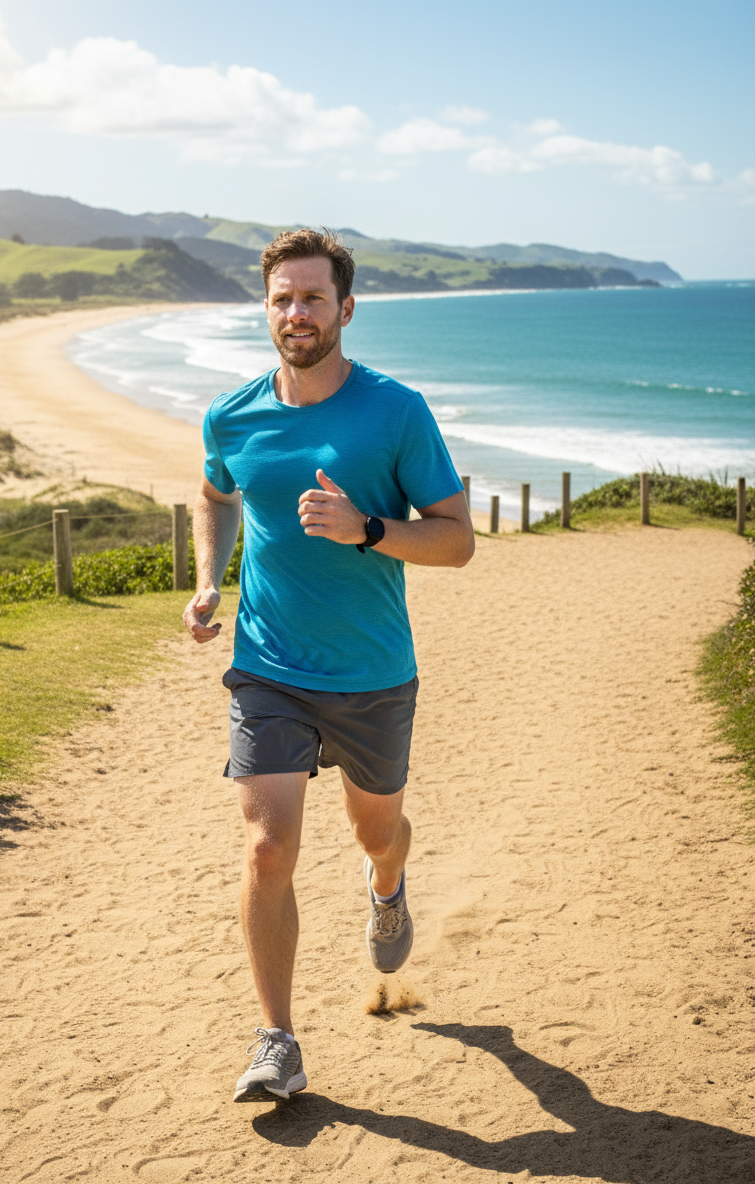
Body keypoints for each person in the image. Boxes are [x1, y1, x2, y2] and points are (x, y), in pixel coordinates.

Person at [182, 229, 475, 1104]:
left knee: (375, 833)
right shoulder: (231, 414)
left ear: (346, 309)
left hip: (374, 671)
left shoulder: (395, 412)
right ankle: (278, 1041)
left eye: (312, 298)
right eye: (281, 298)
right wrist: (206, 581)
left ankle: (387, 884)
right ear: (265, 307)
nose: (296, 313)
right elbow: (214, 490)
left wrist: (369, 530)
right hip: (268, 665)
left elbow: (457, 541)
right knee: (268, 847)